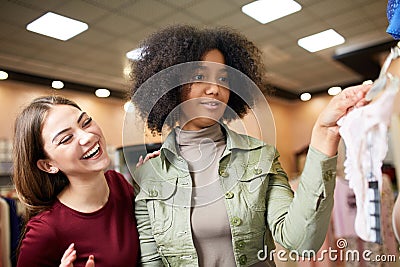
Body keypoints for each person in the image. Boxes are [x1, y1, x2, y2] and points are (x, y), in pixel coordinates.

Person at [129, 25, 371, 266]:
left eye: (223, 78)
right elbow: (152, 260)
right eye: (200, 77)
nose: (215, 89)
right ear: (171, 86)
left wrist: (324, 135)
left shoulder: (260, 157)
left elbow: (301, 242)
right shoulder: (150, 174)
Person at [12, 96, 140, 267]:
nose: (87, 136)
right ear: (48, 165)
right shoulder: (45, 231)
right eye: (66, 139)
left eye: (86, 122)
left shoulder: (118, 184)